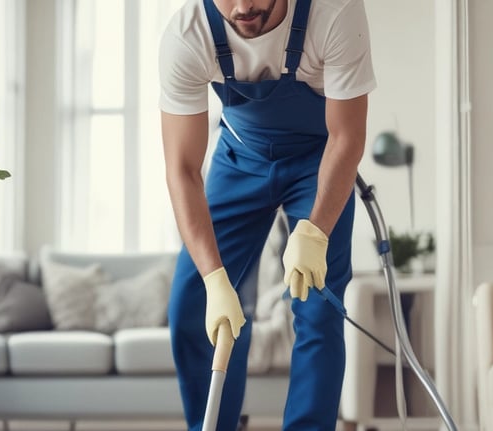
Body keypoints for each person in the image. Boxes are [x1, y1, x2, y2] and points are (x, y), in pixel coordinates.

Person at [159, 0, 375, 429]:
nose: (242, 7)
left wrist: (315, 233)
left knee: (317, 305)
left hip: (320, 161)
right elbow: (182, 169)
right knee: (193, 305)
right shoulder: (188, 34)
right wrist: (214, 279)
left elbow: (347, 137)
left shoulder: (334, 12)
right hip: (240, 157)